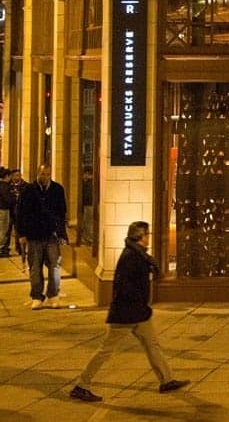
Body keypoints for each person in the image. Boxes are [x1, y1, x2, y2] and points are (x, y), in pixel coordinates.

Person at [69, 221, 188, 402]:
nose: (149, 238)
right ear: (141, 236)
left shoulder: (137, 255)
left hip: (137, 313)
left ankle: (167, 379)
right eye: (147, 235)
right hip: (127, 314)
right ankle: (81, 385)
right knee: (106, 350)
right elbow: (124, 287)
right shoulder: (131, 257)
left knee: (152, 345)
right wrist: (138, 304)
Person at [16, 164, 68, 309]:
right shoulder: (29, 190)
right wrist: (21, 234)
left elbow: (62, 213)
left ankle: (53, 295)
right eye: (42, 174)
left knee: (55, 266)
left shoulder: (57, 189)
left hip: (52, 234)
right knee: (35, 267)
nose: (44, 177)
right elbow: (20, 213)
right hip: (34, 235)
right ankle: (37, 296)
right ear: (37, 174)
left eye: (47, 174)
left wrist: (62, 233)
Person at [0, 166, 13, 257]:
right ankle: (1, 248)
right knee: (3, 229)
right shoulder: (4, 186)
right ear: (7, 176)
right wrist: (14, 199)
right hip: (3, 209)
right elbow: (7, 198)